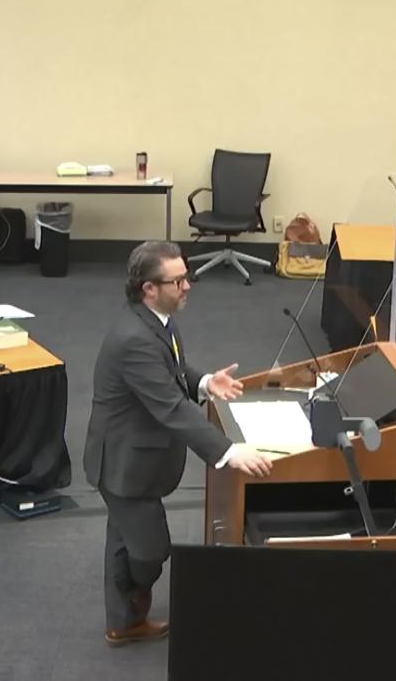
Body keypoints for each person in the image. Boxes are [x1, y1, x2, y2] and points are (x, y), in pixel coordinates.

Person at [84, 241, 273, 646]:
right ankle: (133, 599)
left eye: (187, 277)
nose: (188, 286)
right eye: (178, 280)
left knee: (125, 535)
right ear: (148, 288)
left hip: (134, 459)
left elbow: (172, 369)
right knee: (151, 552)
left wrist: (204, 382)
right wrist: (226, 451)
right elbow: (170, 407)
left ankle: (123, 622)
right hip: (123, 463)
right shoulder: (134, 337)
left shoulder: (157, 320)